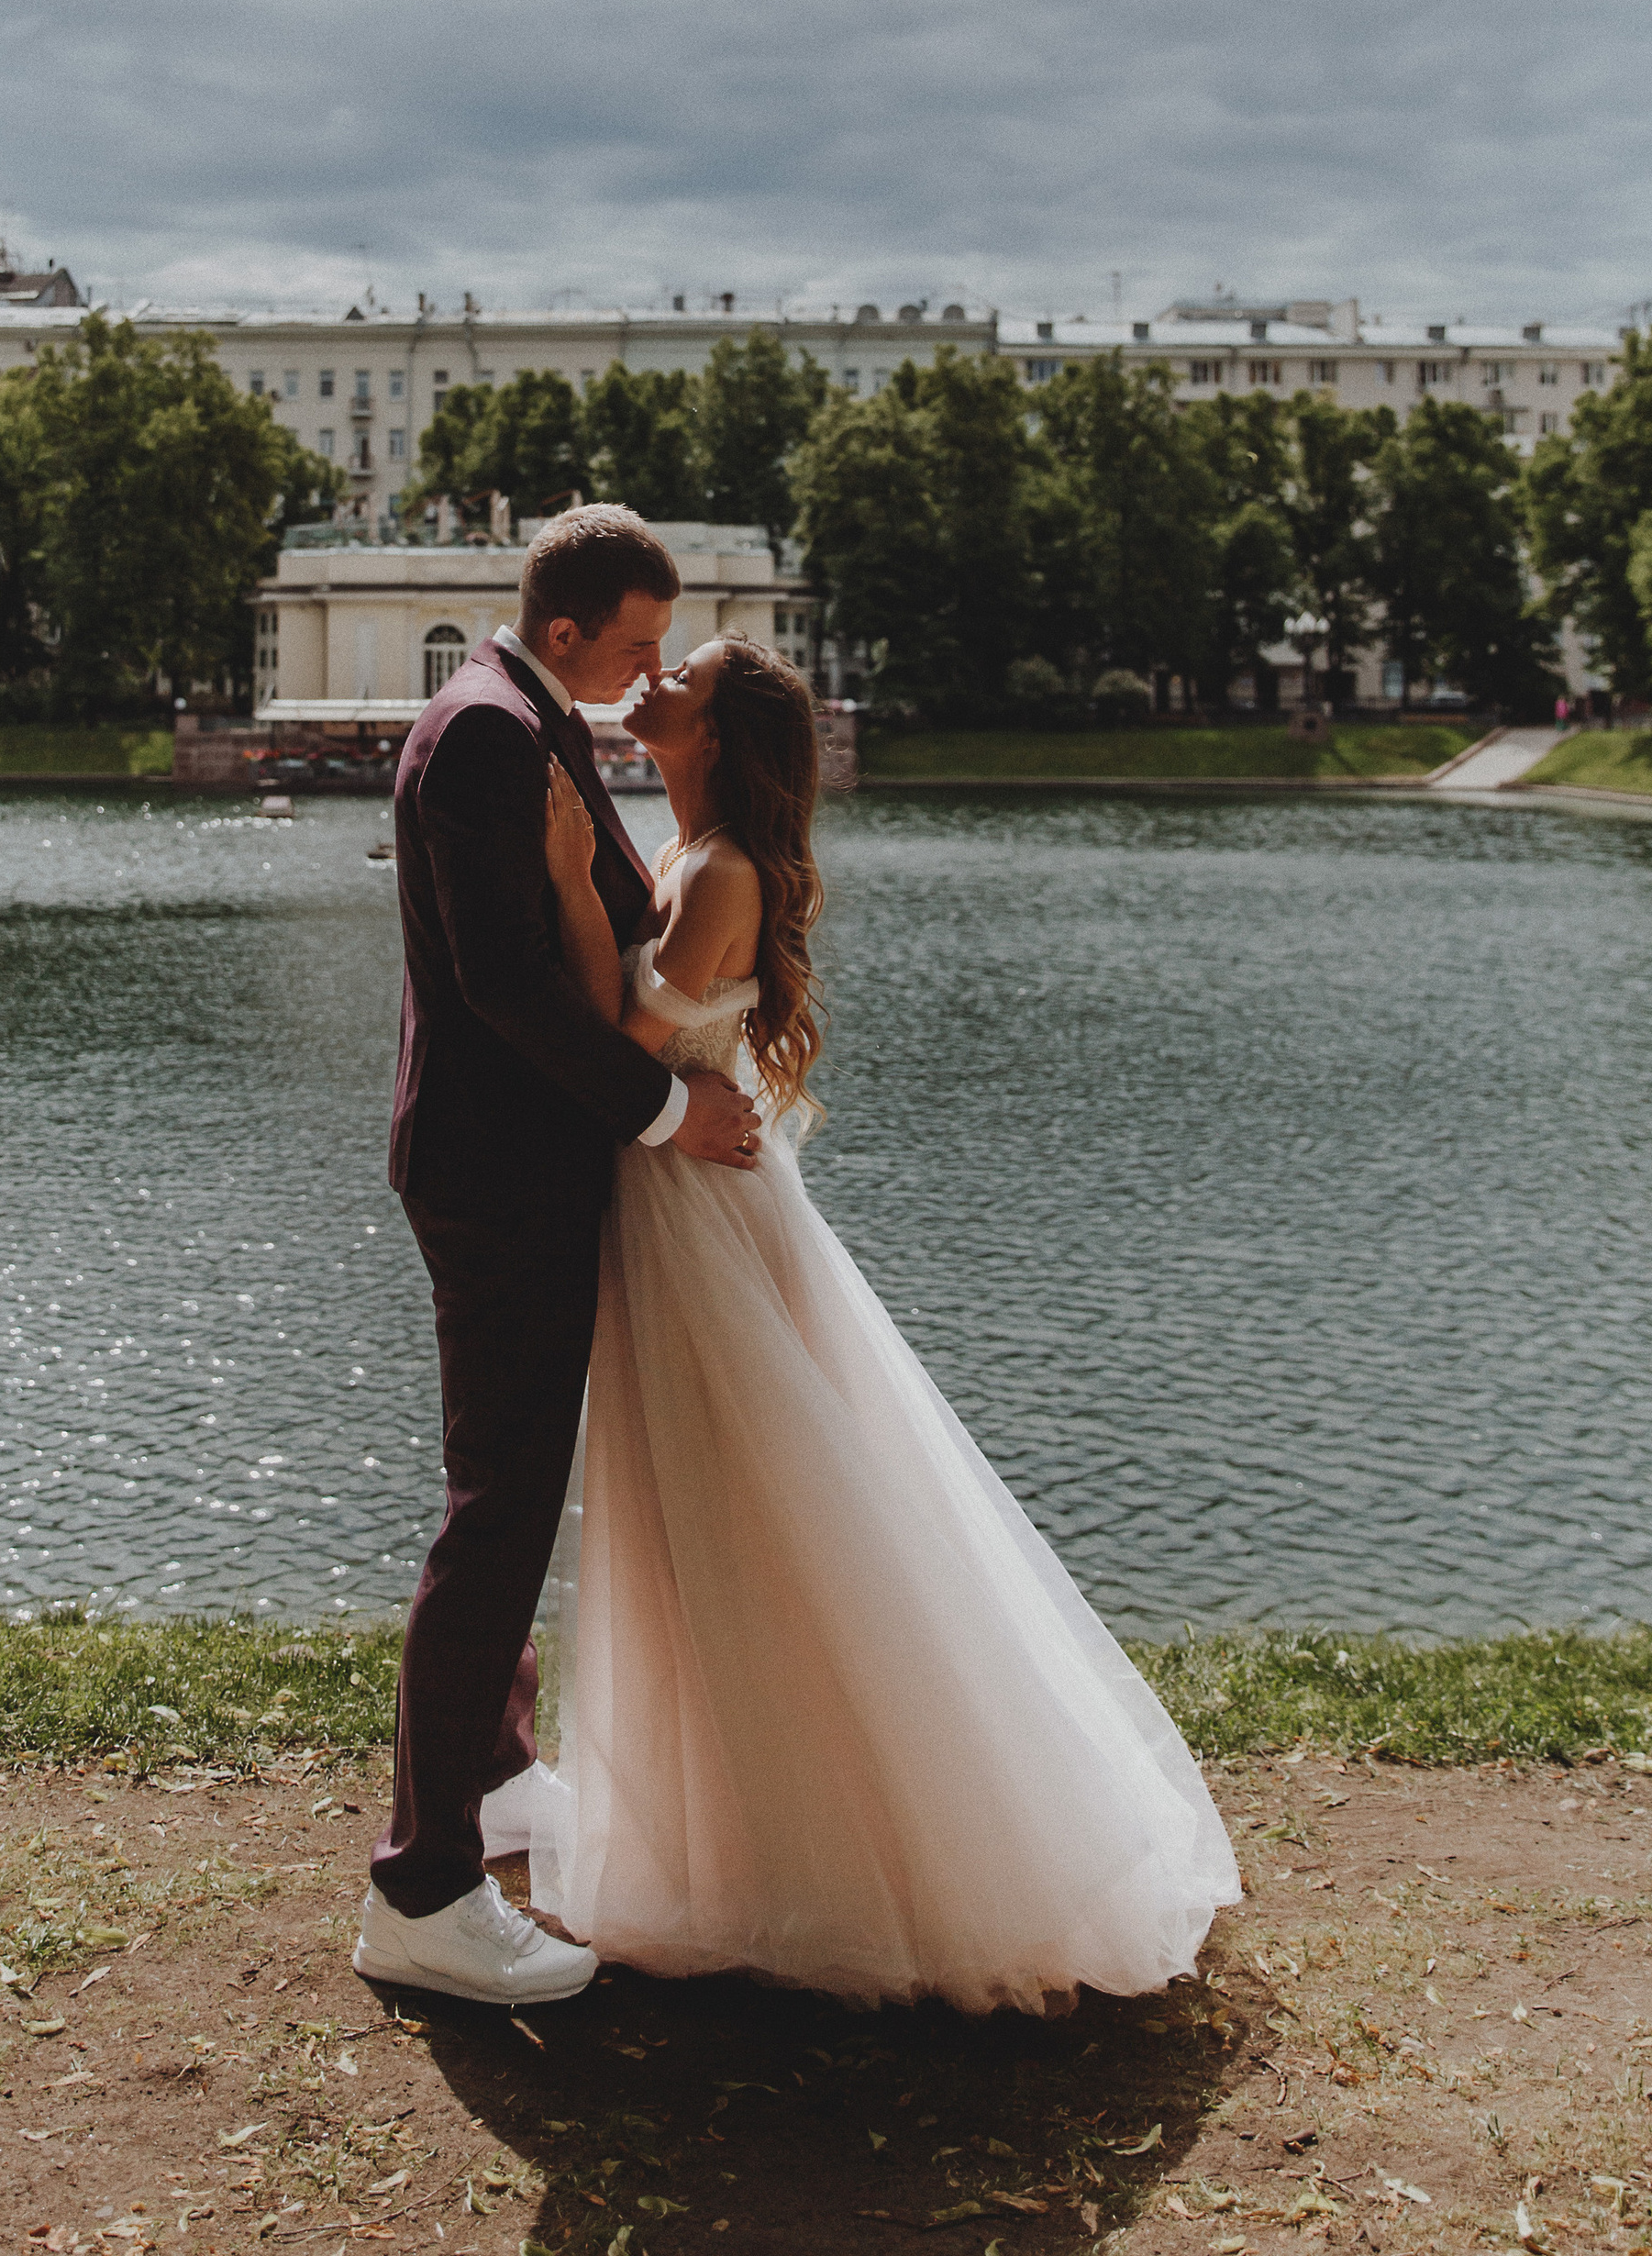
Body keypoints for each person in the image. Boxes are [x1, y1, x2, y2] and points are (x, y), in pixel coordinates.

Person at [527, 631, 1239, 2013]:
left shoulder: (720, 868)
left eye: (694, 668)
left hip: (697, 1218)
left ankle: (849, 1859)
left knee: (756, 1507)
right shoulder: (695, 855)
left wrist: (564, 878)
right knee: (719, 1511)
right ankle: (737, 1842)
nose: (659, 667)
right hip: (686, 1196)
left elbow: (622, 1034)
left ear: (720, 734)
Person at [353, 506, 759, 2007]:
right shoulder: (482, 733)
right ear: (570, 626)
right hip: (493, 1170)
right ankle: (422, 1889)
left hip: (522, 1163)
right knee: (497, 1509)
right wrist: (663, 1107)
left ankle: (501, 1775)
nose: (653, 673)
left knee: (511, 1492)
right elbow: (505, 986)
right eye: (640, 644)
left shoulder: (532, 713)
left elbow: (592, 918)